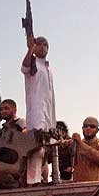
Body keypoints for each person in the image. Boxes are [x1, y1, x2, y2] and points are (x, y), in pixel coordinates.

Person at [22, 35, 56, 186]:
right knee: (36, 146)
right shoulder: (32, 62)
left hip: (48, 111)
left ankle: (42, 178)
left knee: (47, 146)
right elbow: (24, 68)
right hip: (36, 111)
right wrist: (30, 50)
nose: (42, 47)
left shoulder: (48, 67)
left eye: (45, 44)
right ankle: (33, 181)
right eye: (39, 44)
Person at [71, 116, 99, 182]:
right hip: (79, 185)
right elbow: (64, 144)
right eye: (86, 126)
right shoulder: (77, 143)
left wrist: (81, 144)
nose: (88, 128)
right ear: (82, 128)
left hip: (98, 186)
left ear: (97, 130)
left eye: (92, 126)